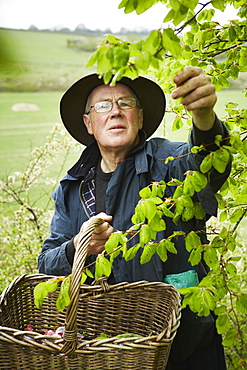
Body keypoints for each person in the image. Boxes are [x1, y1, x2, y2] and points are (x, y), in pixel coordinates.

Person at [38, 66, 230, 369]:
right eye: (103, 106)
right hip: (107, 348)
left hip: (184, 342)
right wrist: (79, 246)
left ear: (139, 118)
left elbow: (208, 165)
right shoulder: (73, 188)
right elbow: (46, 262)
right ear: (89, 123)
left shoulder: (168, 162)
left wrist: (204, 117)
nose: (115, 112)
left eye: (125, 103)